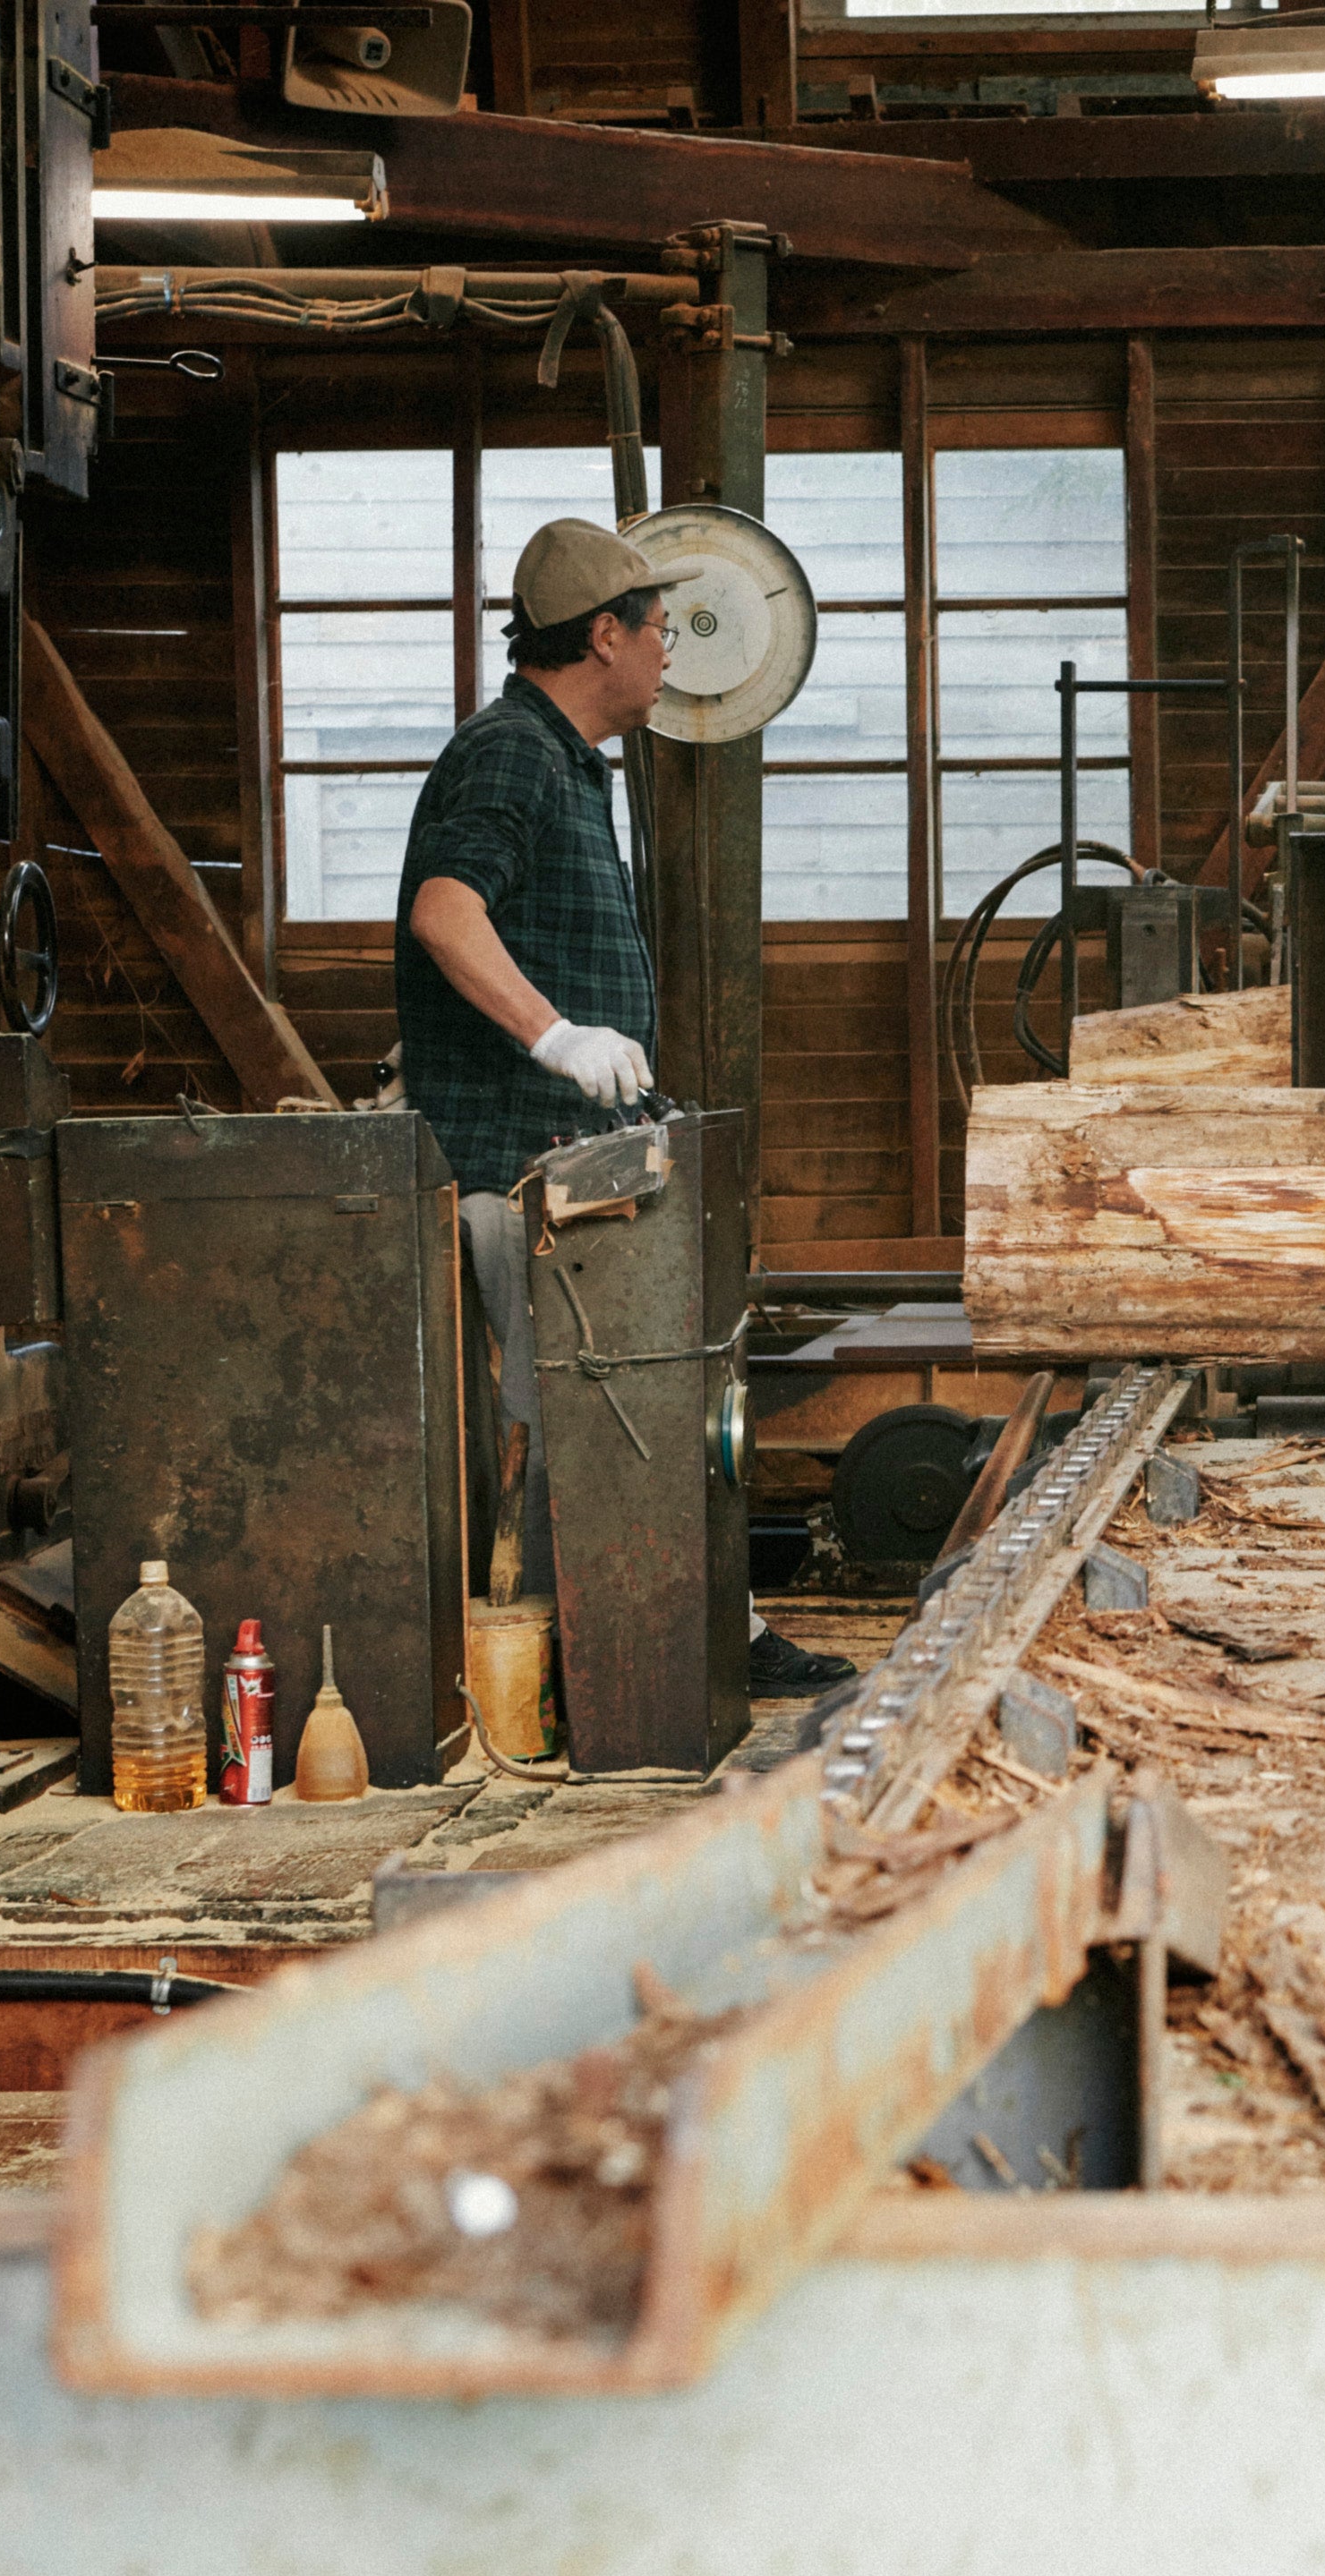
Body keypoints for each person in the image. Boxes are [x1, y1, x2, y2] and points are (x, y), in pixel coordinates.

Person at [395, 516, 857, 1703]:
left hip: (577, 1155)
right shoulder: (508, 752)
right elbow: (446, 911)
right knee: (585, 1409)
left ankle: (663, 1640)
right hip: (522, 1156)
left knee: (623, 1400)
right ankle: (585, 1666)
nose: (671, 658)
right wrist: (555, 1034)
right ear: (604, 634)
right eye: (660, 632)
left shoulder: (563, 761)